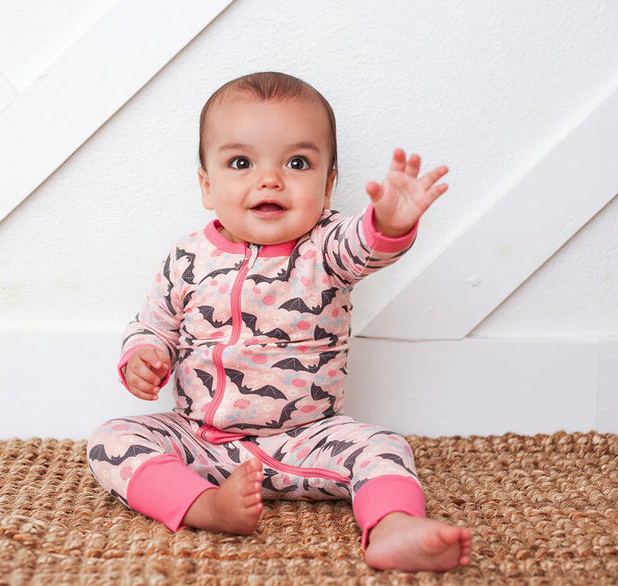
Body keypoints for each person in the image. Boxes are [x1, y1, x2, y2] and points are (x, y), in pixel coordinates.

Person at [88, 71, 472, 572]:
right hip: (200, 441)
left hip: (308, 439)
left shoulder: (325, 247)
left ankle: (393, 526)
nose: (270, 179)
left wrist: (389, 223)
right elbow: (154, 323)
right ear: (207, 186)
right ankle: (205, 505)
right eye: (241, 163)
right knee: (112, 439)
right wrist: (144, 354)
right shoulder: (188, 256)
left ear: (328, 186)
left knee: (384, 446)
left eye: (297, 163)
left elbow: (364, 247)